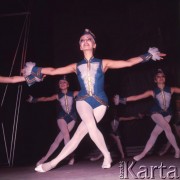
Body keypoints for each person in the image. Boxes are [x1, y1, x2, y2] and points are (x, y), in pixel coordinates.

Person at [22, 29, 166, 172]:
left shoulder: (104, 63)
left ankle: (53, 162)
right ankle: (103, 155)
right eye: (82, 40)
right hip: (83, 100)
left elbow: (127, 63)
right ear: (80, 46)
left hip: (101, 102)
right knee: (90, 125)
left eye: (88, 39)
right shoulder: (76, 66)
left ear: (94, 44)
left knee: (77, 136)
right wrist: (34, 69)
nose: (85, 41)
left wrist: (149, 55)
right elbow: (53, 71)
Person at [115, 69, 180, 161]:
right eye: (158, 77)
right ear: (155, 80)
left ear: (165, 79)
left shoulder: (171, 89)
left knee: (154, 134)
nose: (161, 78)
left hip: (168, 114)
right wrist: (122, 99)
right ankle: (177, 150)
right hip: (156, 113)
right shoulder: (152, 92)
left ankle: (143, 153)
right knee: (167, 128)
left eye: (163, 76)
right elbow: (137, 97)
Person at [27, 76, 78, 166]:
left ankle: (45, 158)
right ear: (59, 85)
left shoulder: (74, 93)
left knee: (57, 140)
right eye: (60, 83)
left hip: (72, 118)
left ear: (68, 84)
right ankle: (67, 156)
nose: (62, 84)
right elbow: (46, 98)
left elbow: (87, 92)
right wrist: (33, 100)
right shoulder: (57, 96)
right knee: (66, 135)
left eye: (64, 82)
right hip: (62, 117)